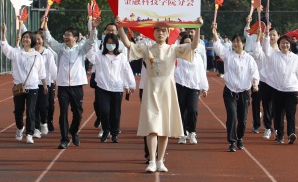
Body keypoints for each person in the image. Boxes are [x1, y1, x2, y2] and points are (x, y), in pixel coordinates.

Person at [118, 17, 203, 172]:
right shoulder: (147, 49)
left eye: (164, 31)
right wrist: (120, 27)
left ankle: (160, 160)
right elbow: (128, 44)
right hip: (151, 87)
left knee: (164, 127)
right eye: (157, 30)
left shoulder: (173, 49)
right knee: (152, 126)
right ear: (153, 32)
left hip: (167, 88)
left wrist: (197, 27)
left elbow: (194, 45)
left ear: (168, 33)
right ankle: (151, 160)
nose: (160, 33)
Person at [43, 18, 97, 149]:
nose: (66, 37)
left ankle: (73, 131)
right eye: (65, 35)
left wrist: (94, 28)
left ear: (76, 38)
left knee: (78, 114)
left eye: (69, 35)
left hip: (77, 85)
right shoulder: (60, 48)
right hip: (63, 86)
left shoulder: (81, 49)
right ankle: (64, 139)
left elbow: (91, 42)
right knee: (63, 113)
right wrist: (45, 26)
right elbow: (49, 40)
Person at [211, 22, 259, 151]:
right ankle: (232, 141)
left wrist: (255, 83)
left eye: (238, 42)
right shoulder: (228, 56)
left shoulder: (249, 58)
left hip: (244, 92)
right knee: (232, 116)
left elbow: (254, 72)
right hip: (230, 92)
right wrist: (214, 32)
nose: (235, 44)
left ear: (243, 43)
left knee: (242, 119)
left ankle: (240, 138)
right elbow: (218, 46)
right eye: (234, 42)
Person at [1, 24, 48, 144]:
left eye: (28, 37)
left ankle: (29, 134)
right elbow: (6, 48)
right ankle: (20, 127)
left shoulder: (37, 56)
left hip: (33, 87)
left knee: (31, 111)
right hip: (19, 87)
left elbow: (41, 72)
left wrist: (44, 84)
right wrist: (3, 33)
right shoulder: (16, 53)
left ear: (32, 40)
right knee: (18, 111)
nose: (25, 39)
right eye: (24, 37)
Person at [88, 28, 135, 143]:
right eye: (108, 43)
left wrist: (131, 84)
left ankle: (114, 133)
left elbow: (127, 71)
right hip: (102, 88)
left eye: (112, 43)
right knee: (104, 110)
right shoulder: (99, 55)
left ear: (116, 44)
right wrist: (92, 30)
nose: (110, 45)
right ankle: (105, 130)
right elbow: (90, 54)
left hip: (117, 88)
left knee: (115, 112)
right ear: (104, 44)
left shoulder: (121, 57)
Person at [175, 32, 209, 145]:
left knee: (193, 110)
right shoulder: (177, 56)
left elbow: (201, 71)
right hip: (180, 85)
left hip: (194, 86)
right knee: (181, 110)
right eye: (184, 44)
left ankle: (192, 132)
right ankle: (183, 133)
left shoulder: (197, 57)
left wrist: (204, 87)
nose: (187, 46)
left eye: (189, 44)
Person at [33, 30, 57, 135]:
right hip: (32, 83)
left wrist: (56, 80)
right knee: (34, 107)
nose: (37, 41)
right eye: (35, 39)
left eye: (39, 39)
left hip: (46, 83)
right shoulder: (29, 52)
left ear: (43, 40)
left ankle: (44, 122)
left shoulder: (48, 53)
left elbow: (52, 68)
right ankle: (36, 128)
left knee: (45, 106)